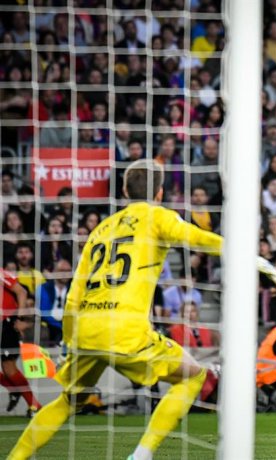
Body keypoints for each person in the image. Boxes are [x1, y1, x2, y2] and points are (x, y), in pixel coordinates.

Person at [8, 160, 223, 460]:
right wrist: (241, 251)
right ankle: (141, 455)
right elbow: (198, 238)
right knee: (193, 376)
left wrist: (69, 341)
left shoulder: (101, 229)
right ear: (159, 193)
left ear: (123, 190)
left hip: (85, 329)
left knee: (68, 401)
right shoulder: (156, 216)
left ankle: (14, 458)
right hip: (124, 330)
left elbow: (73, 295)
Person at [1, 268, 41, 417]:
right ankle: (14, 390)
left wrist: (20, 318)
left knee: (9, 369)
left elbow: (22, 292)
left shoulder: (1, 273)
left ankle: (35, 406)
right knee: (8, 371)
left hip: (7, 324)